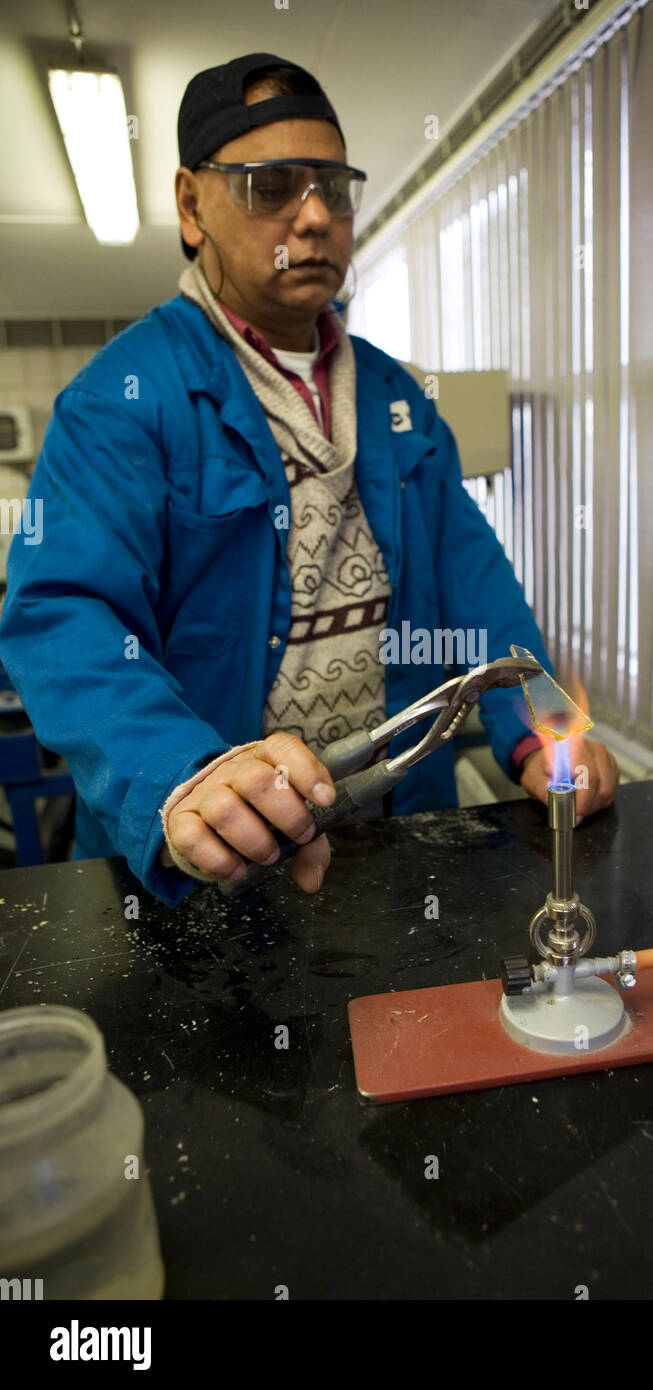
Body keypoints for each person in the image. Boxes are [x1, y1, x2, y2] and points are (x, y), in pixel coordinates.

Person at [0, 53, 618, 908]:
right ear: (191, 205)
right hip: (215, 865)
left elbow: (478, 586)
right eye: (271, 185)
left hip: (398, 838)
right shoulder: (122, 401)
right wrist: (180, 778)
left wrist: (542, 732)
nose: (317, 215)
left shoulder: (395, 394)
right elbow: (64, 616)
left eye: (333, 184)